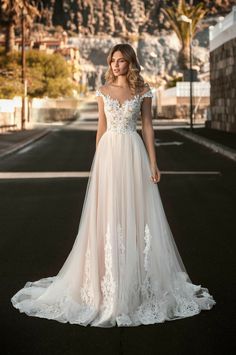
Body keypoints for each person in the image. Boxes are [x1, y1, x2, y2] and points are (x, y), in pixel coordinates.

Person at [11, 43, 216, 327]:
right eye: (112, 61)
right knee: (106, 214)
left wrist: (153, 163)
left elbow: (147, 127)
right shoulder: (103, 91)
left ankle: (135, 279)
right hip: (108, 156)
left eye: (120, 61)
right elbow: (101, 129)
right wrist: (98, 164)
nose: (115, 65)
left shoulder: (143, 91)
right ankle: (104, 279)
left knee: (136, 212)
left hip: (133, 154)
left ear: (131, 62)